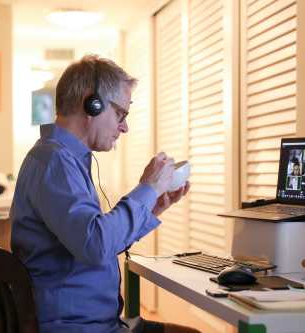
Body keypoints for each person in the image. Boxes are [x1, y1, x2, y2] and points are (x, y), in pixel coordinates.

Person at [10, 55, 199, 333]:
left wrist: (151, 208)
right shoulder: (55, 163)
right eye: (121, 114)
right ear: (92, 103)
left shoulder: (62, 160)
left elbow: (96, 238)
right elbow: (95, 245)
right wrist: (146, 189)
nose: (124, 127)